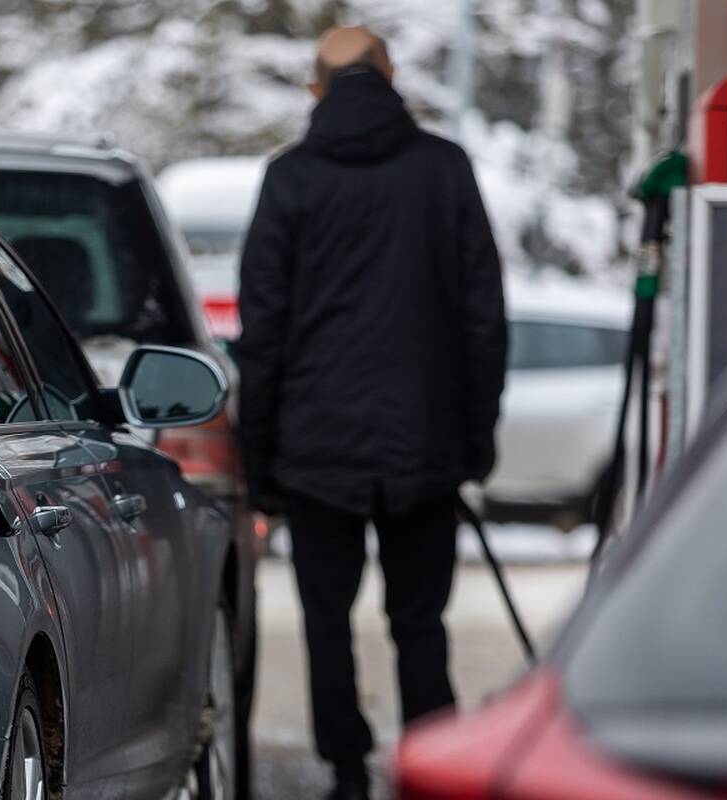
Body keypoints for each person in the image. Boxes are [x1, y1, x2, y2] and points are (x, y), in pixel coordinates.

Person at [235, 25, 507, 800]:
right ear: (390, 76)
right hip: (426, 446)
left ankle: (348, 772)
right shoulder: (445, 171)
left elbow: (264, 330)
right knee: (420, 620)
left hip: (317, 449)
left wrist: (261, 460)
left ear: (316, 89)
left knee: (328, 619)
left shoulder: (290, 179)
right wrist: (474, 439)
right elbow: (484, 318)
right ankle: (435, 764)